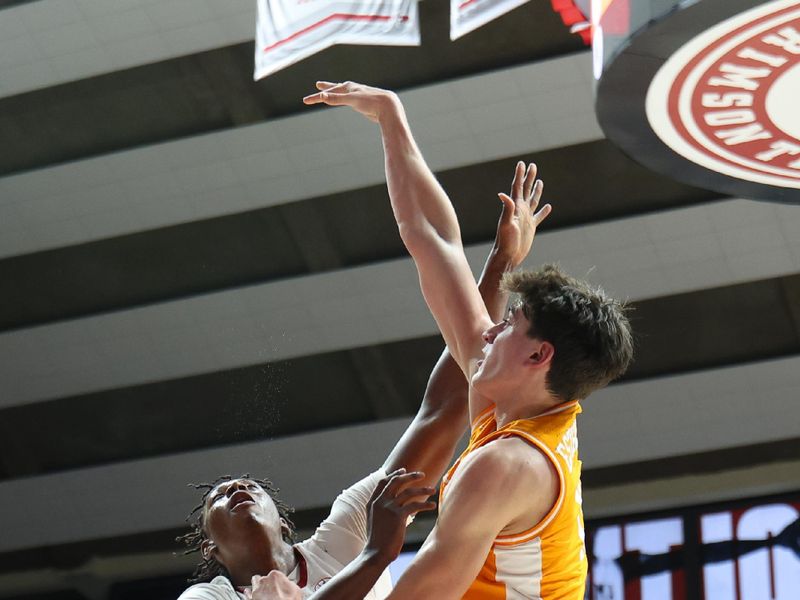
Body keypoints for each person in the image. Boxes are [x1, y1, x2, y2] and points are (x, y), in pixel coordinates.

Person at [304, 81, 634, 599]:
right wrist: (392, 119)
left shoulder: (505, 465)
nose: (494, 325)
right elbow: (433, 240)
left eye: (511, 324)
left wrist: (376, 552)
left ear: (537, 354)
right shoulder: (520, 399)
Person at [176, 160, 548, 600]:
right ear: (211, 549)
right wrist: (375, 555)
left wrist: (503, 261)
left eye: (251, 488)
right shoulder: (207, 598)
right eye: (219, 498)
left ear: (285, 522)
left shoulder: (346, 530)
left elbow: (443, 412)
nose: (238, 488)